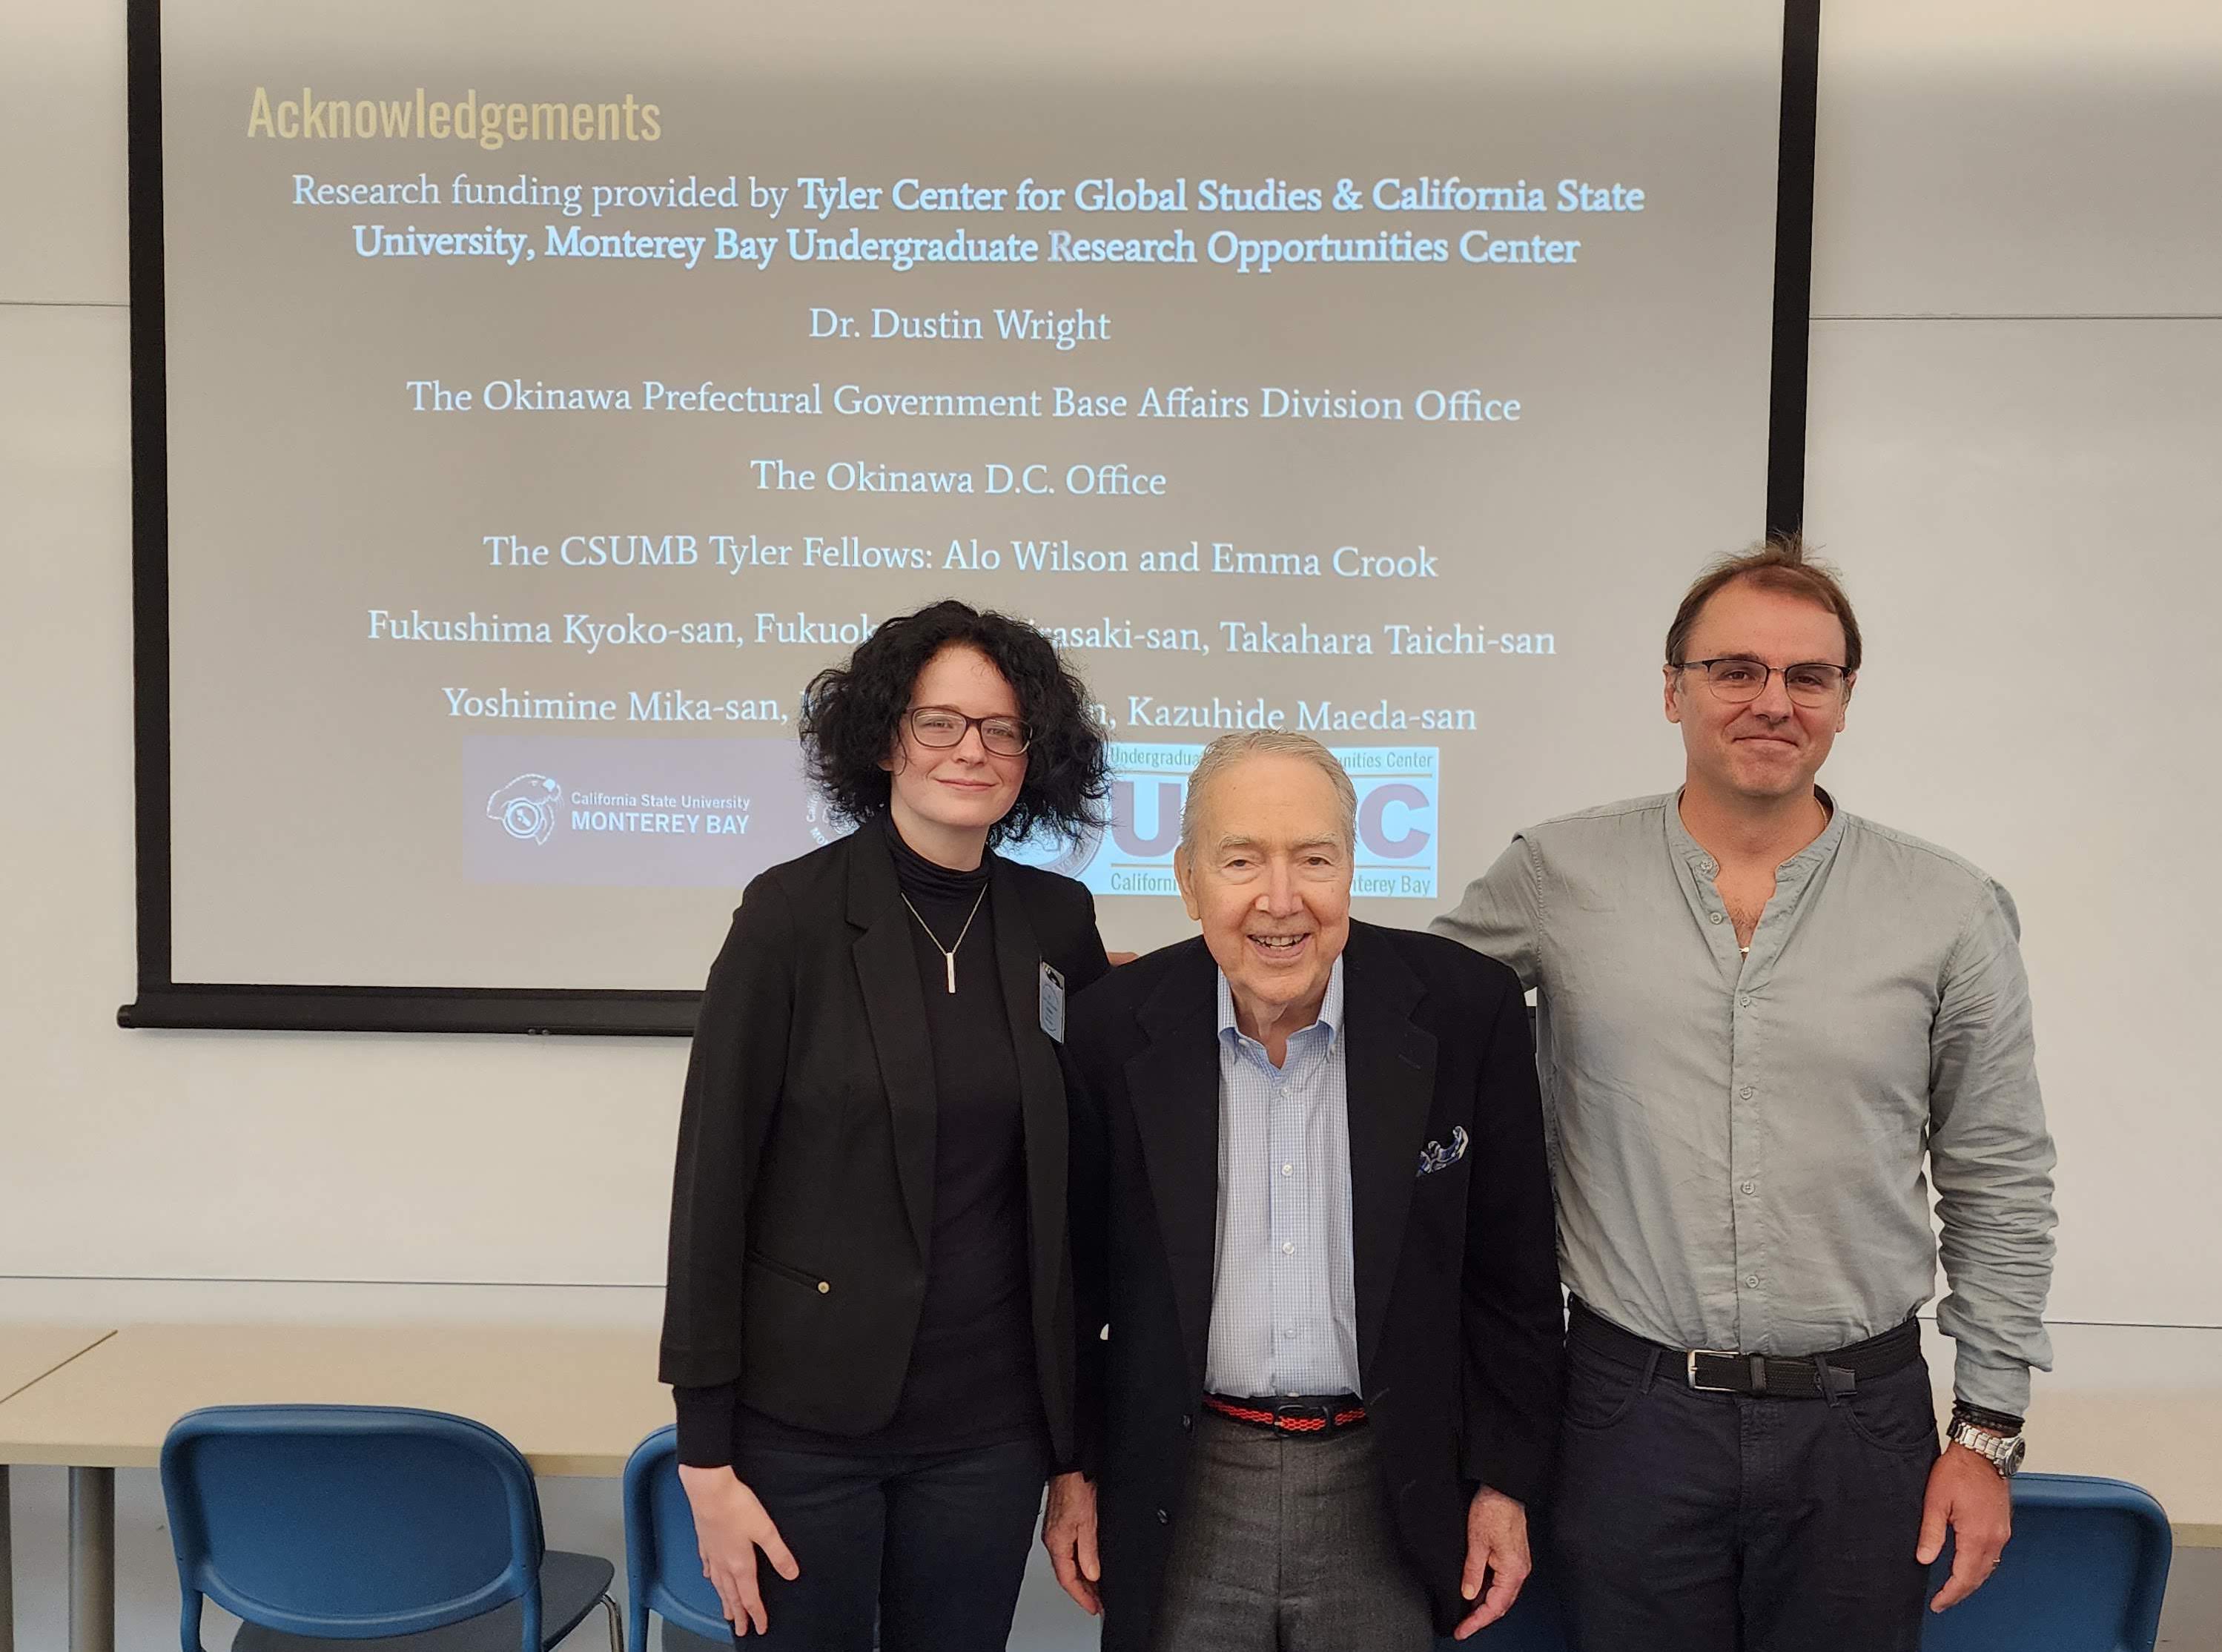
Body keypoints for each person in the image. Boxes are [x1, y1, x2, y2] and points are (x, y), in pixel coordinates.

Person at [1432, 536, 2058, 1652]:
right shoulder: (1556, 876)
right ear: (1671, 688)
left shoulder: (1949, 908)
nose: (1773, 701)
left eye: (1807, 677)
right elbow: (1407, 1023)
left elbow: (1998, 1176)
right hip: (1628, 1415)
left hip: (1863, 1428)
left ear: (1844, 702)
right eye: (1736, 670)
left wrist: (1988, 1433)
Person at [1042, 730, 1563, 1652]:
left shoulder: (1464, 1009)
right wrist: (1074, 1468)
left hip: (1390, 1480)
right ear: (1188, 878)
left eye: (1313, 858)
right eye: (1241, 859)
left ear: (1353, 868)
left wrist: (1504, 1479)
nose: (1280, 900)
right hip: (1185, 1478)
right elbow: (1071, 1285)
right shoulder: (1110, 1030)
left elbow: (1511, 1277)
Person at [659, 600, 1113, 1649]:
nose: (974, 750)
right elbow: (711, 1182)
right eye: (941, 722)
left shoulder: (1057, 922)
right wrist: (705, 1460)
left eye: (1003, 729)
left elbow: (1086, 1185)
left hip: (990, 1431)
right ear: (884, 738)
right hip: (804, 1432)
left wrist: (1074, 1441)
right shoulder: (789, 918)